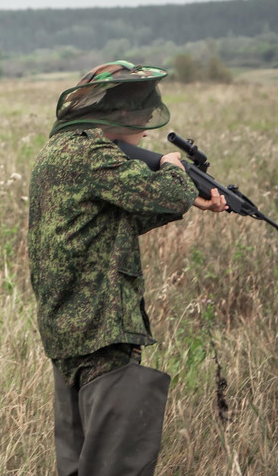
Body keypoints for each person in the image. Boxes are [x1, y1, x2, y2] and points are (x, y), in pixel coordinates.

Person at [27, 60, 228, 476]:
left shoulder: (61, 152)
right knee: (116, 466)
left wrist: (190, 199)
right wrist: (175, 170)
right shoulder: (92, 154)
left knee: (81, 463)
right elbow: (166, 195)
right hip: (102, 327)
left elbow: (112, 224)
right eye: (140, 116)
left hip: (70, 331)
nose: (145, 129)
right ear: (118, 115)